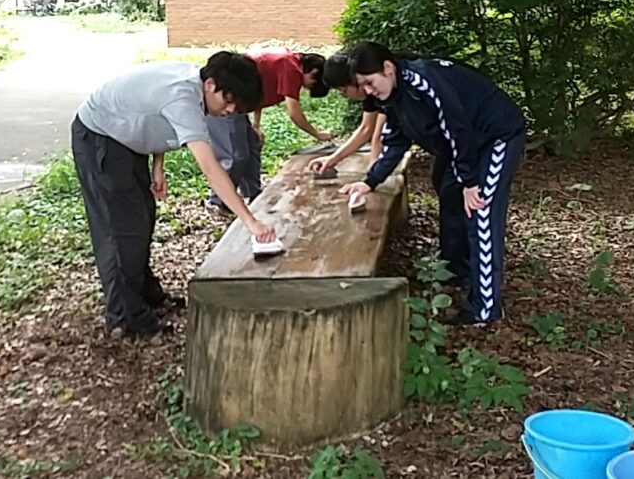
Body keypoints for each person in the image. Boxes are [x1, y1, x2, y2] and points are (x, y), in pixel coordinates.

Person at [71, 52, 276, 339]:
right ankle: (125, 317)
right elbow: (211, 168)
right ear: (211, 85)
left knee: (142, 217)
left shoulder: (194, 87)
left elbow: (155, 118)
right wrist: (251, 223)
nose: (230, 110)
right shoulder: (182, 96)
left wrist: (158, 167)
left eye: (237, 106)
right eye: (228, 101)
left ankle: (143, 292)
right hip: (100, 135)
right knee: (123, 227)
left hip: (125, 137)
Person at [340, 41, 525, 326]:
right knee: (449, 194)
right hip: (462, 146)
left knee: (481, 213)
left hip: (494, 137)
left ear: (387, 68)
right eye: (361, 85)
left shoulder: (424, 81)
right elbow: (395, 142)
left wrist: (471, 182)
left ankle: (485, 309)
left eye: (369, 82)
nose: (367, 90)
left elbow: (457, 127)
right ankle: (457, 270)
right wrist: (369, 181)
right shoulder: (392, 96)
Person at [205, 48, 332, 214]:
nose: (305, 88)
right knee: (236, 155)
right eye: (311, 85)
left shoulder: (287, 63)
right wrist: (318, 134)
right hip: (223, 104)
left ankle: (254, 194)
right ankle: (217, 201)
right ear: (313, 71)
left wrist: (256, 127)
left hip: (239, 106)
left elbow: (258, 94)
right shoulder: (291, 69)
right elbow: (294, 113)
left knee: (252, 147)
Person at [308, 52, 386, 175]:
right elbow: (366, 128)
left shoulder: (382, 86)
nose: (345, 96)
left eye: (344, 91)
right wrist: (333, 159)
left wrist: (373, 172)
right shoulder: (369, 93)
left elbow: (380, 134)